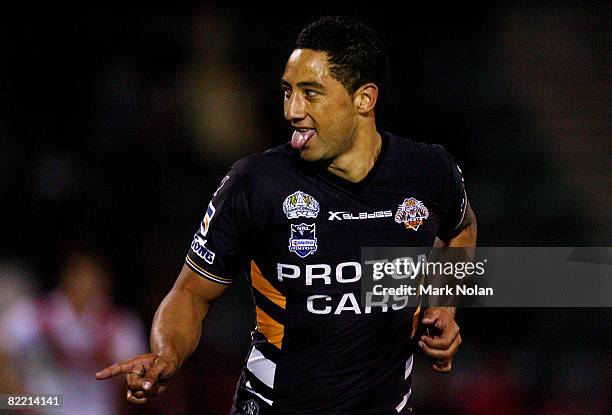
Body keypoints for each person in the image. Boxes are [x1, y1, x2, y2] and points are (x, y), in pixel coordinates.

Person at [96, 16, 476, 414]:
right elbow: (190, 293)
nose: (292, 111)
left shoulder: (429, 172)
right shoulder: (257, 183)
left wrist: (444, 304)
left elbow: (462, 231)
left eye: (311, 94)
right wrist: (168, 353)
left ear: (364, 99)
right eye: (287, 92)